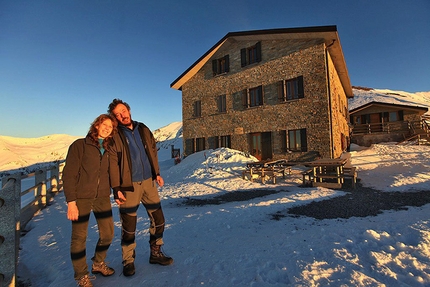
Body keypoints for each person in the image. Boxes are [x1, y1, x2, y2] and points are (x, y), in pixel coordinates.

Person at [107, 99, 173, 277]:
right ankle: (128, 260)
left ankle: (156, 253)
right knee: (129, 226)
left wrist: (156, 173)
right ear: (115, 118)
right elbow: (112, 163)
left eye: (123, 111)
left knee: (158, 219)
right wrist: (116, 188)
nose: (122, 115)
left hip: (149, 183)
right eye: (118, 115)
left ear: (129, 109)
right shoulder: (115, 135)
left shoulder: (143, 128)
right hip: (129, 187)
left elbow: (152, 150)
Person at [63, 114, 118, 287]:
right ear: (96, 125)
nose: (107, 128)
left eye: (110, 126)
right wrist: (71, 202)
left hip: (102, 196)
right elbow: (69, 174)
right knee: (79, 237)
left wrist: (117, 191)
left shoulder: (110, 148)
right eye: (104, 124)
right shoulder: (80, 145)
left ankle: (98, 263)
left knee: (108, 233)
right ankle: (81, 275)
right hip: (81, 198)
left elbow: (113, 172)